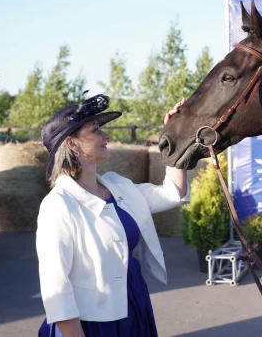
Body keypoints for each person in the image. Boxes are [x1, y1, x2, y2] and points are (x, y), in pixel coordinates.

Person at [36, 94, 188, 337]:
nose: (106, 136)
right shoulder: (58, 205)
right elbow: (56, 289)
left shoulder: (119, 187)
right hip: (91, 322)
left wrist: (177, 133)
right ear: (71, 144)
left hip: (134, 304)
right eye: (95, 131)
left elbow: (173, 192)